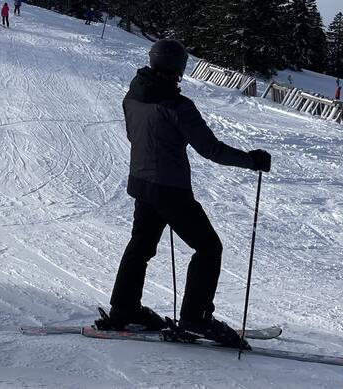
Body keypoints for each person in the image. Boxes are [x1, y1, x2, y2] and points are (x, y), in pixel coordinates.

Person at [104, 39, 271, 347]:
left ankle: (123, 308)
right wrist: (252, 160)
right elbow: (211, 149)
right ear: (178, 69)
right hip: (170, 189)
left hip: (142, 183)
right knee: (208, 248)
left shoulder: (132, 97)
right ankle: (196, 318)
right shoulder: (178, 106)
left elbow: (133, 135)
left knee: (141, 245)